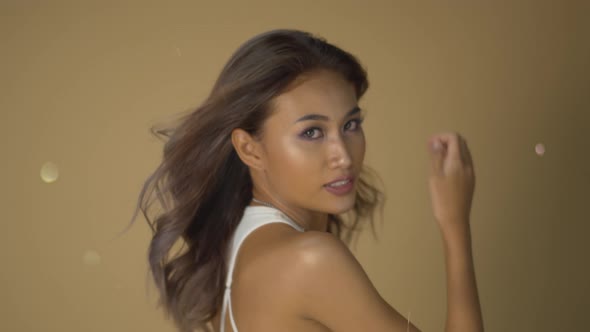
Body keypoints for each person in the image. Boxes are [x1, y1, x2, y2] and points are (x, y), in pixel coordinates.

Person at [131, 29, 483, 332]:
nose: (343, 156)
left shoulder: (244, 237)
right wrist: (454, 223)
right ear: (249, 149)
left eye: (350, 125)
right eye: (312, 132)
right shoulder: (311, 259)